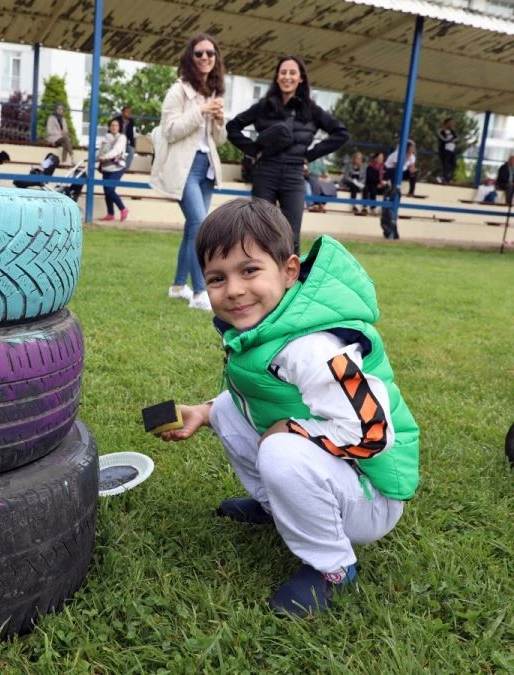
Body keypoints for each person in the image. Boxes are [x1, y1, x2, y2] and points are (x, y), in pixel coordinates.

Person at [158, 197, 419, 616]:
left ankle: (332, 566)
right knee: (227, 408)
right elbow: (258, 399)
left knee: (281, 449)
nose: (235, 290)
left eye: (249, 270)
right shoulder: (269, 326)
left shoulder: (312, 347)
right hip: (342, 472)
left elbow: (373, 433)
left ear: (289, 270)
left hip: (372, 495)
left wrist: (292, 432)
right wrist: (206, 413)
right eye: (217, 278)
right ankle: (276, 507)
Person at [227, 55, 349, 254]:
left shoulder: (311, 110)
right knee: (260, 231)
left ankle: (292, 285)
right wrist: (253, 150)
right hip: (265, 171)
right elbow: (233, 127)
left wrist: (309, 156)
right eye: (283, 72)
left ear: (301, 78)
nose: (287, 77)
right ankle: (262, 282)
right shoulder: (264, 106)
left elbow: (341, 133)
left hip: (293, 175)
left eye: (292, 73)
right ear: (277, 77)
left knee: (291, 238)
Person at [149, 32, 228, 311]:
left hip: (206, 168)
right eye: (199, 53)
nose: (205, 57)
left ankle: (178, 287)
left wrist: (218, 120)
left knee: (192, 230)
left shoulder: (215, 91)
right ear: (190, 58)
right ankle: (199, 293)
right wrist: (201, 111)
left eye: (210, 53)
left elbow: (218, 141)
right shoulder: (178, 90)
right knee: (201, 227)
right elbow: (169, 131)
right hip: (184, 169)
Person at [97, 117, 129, 221]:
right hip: (106, 167)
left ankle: (123, 209)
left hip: (117, 167)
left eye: (116, 125)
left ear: (119, 127)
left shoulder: (121, 138)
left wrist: (105, 157)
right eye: (112, 125)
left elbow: (116, 150)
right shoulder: (105, 138)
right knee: (107, 191)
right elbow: (99, 151)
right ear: (109, 127)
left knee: (110, 190)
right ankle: (110, 214)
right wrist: (98, 157)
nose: (114, 127)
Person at [113, 105, 136, 170]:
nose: (129, 113)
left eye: (130, 112)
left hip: (126, 142)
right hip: (116, 141)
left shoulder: (131, 121)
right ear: (122, 112)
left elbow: (131, 134)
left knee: (132, 151)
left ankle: (125, 167)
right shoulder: (116, 120)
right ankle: (116, 166)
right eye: (127, 112)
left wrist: (133, 145)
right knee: (117, 151)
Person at [436, 117, 458, 184]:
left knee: (453, 165)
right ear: (447, 123)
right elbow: (443, 139)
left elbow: (457, 138)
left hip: (452, 150)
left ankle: (447, 178)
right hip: (445, 150)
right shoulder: (441, 131)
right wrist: (451, 140)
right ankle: (443, 178)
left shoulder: (452, 131)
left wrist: (452, 140)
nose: (452, 124)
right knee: (445, 165)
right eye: (451, 123)